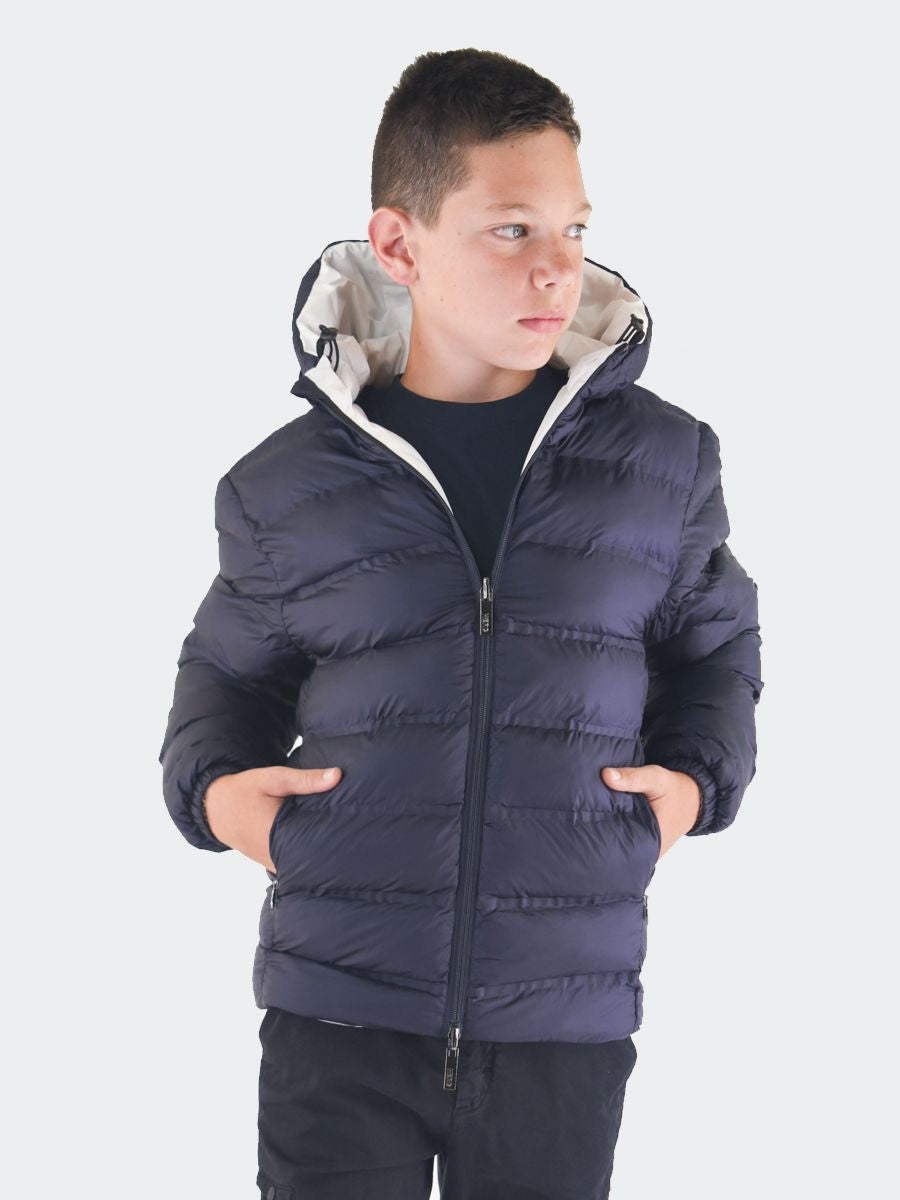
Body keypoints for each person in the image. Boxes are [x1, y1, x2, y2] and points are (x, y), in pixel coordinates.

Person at [159, 47, 764, 1200]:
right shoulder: (284, 487)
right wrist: (217, 794)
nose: (558, 269)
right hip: (339, 1009)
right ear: (399, 245)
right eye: (511, 230)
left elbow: (716, 649)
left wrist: (693, 786)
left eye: (574, 230)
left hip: (561, 1014)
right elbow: (224, 678)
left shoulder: (662, 464)